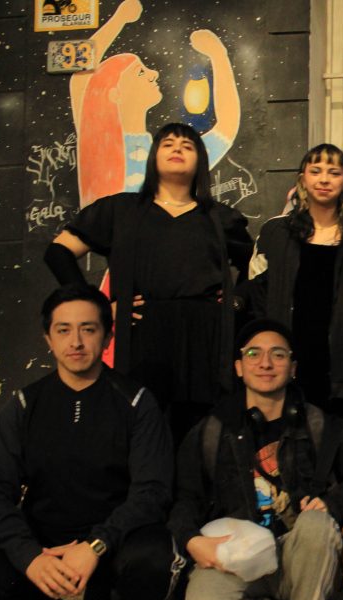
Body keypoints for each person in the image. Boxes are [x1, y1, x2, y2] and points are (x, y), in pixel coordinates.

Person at [0, 285, 177, 600]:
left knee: (158, 558)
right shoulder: (24, 405)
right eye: (64, 330)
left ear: (107, 336)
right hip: (46, 538)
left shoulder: (136, 402)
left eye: (88, 329)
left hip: (115, 537)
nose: (76, 342)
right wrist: (30, 557)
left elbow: (152, 491)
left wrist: (96, 545)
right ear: (48, 339)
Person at [169, 318, 343, 600]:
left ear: (293, 366)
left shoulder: (318, 424)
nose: (265, 363)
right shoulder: (211, 430)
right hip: (240, 556)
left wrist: (332, 502)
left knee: (317, 525)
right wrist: (191, 540)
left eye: (278, 354)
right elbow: (185, 496)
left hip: (301, 555)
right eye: (254, 354)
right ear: (239, 366)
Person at [45, 122, 254, 443]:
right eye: (168, 144)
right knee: (142, 431)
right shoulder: (120, 210)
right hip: (142, 335)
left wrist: (235, 300)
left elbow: (255, 266)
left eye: (187, 145)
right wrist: (97, 309)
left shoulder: (220, 218)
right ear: (154, 155)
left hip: (204, 341)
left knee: (201, 437)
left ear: (200, 160)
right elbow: (58, 252)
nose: (177, 149)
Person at [245, 144, 343, 436]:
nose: (324, 179)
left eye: (334, 172)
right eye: (316, 171)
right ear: (302, 179)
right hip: (283, 368)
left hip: (340, 373)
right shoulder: (274, 233)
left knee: (338, 450)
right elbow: (257, 296)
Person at [70, 0, 240, 208]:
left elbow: (225, 129)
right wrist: (118, 20)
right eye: (140, 72)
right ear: (115, 93)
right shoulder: (98, 138)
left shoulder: (165, 158)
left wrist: (219, 57)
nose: (154, 73)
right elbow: (80, 74)